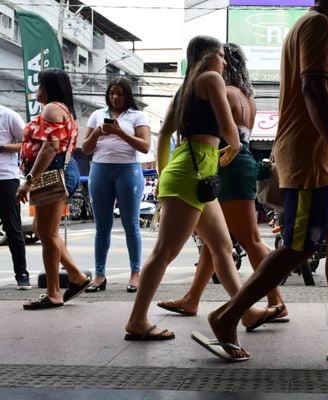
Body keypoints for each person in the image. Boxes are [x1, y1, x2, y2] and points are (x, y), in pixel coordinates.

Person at [196, 0, 328, 363]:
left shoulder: (319, 28)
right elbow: (313, 89)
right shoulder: (315, 27)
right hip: (313, 159)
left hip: (324, 161)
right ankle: (227, 316)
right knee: (298, 246)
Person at [125, 36, 281, 340]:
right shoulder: (211, 78)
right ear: (209, 56)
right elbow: (228, 128)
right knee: (164, 252)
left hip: (192, 172)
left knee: (222, 247)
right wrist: (234, 147)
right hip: (192, 173)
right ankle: (137, 319)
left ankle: (245, 312)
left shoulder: (184, 89)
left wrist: (162, 172)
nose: (224, 62)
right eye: (222, 56)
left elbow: (164, 133)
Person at [156, 43, 288, 319]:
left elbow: (220, 133)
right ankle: (192, 298)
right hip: (241, 163)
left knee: (249, 239)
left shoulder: (222, 92)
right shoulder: (247, 97)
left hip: (224, 163)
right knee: (215, 241)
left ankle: (276, 300)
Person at [16, 68, 91, 309]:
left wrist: (29, 180)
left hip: (52, 173)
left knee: (47, 235)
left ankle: (53, 292)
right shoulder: (62, 110)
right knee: (43, 230)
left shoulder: (51, 109)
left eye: (39, 85)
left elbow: (50, 148)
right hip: (57, 172)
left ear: (48, 88)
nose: (36, 90)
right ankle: (76, 277)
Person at [82, 77, 151, 293]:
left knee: (131, 224)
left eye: (120, 93)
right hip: (100, 170)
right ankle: (99, 275)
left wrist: (120, 132)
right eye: (112, 93)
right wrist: (97, 132)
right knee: (102, 227)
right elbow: (85, 149)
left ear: (127, 95)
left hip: (128, 170)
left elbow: (145, 147)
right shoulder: (97, 115)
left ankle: (135, 273)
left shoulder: (138, 116)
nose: (115, 97)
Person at [0, 105, 31, 290]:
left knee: (12, 227)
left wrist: (3, 147)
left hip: (5, 178)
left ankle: (22, 275)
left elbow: (27, 143)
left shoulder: (8, 115)